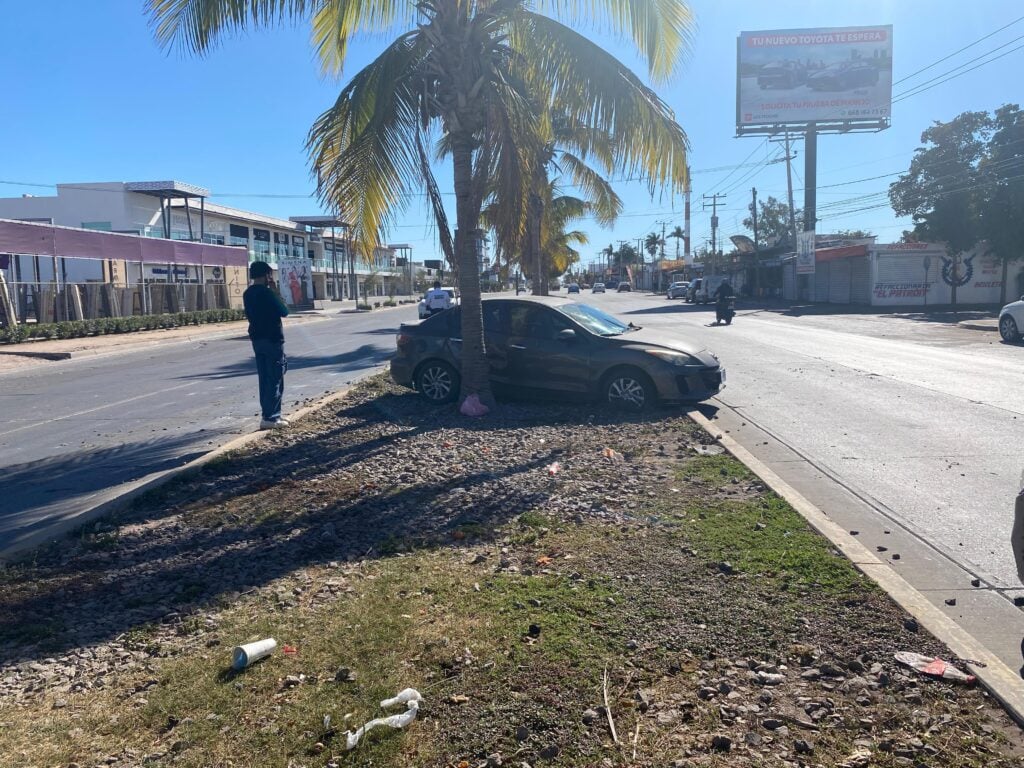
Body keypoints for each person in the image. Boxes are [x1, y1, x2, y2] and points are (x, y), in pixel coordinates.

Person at [243, 261, 290, 429]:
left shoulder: (247, 293)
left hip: (257, 338)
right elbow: (284, 311)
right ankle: (272, 417)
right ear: (267, 275)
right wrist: (275, 289)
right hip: (272, 339)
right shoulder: (267, 293)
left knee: (264, 378)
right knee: (275, 378)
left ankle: (267, 415)